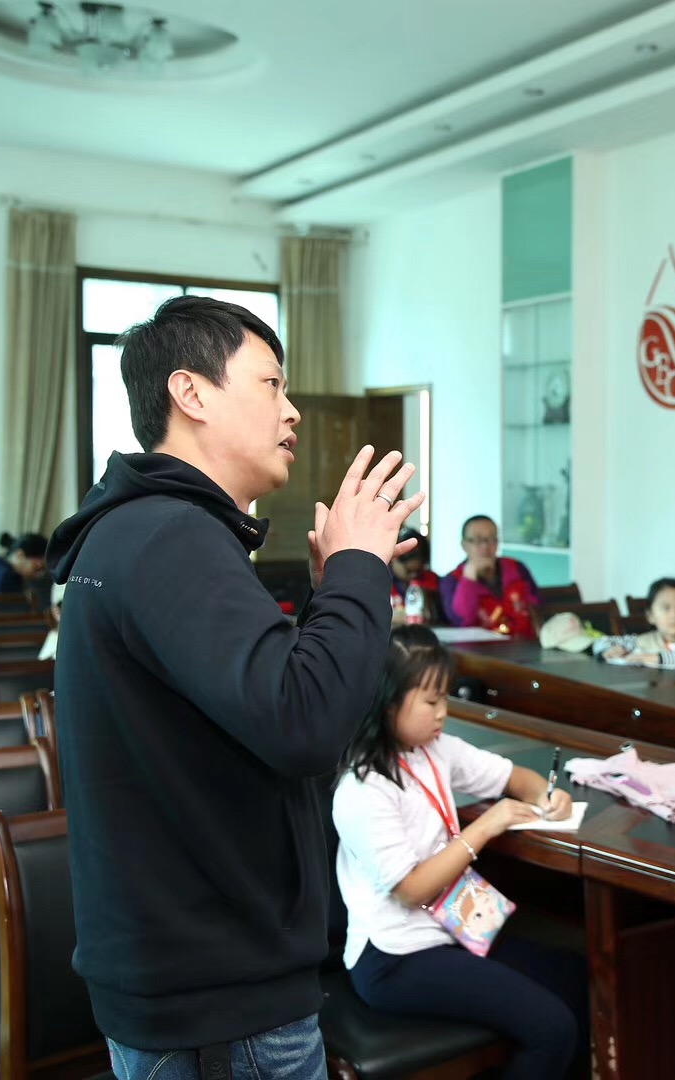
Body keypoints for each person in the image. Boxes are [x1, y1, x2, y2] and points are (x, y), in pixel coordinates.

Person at [45, 295, 426, 1077]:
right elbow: (306, 725)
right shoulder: (173, 535)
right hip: (216, 991)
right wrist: (359, 567)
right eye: (271, 384)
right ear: (190, 393)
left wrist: (331, 598)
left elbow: (263, 709)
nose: (292, 411)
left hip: (192, 973)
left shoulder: (145, 529)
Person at [333, 627, 589, 1080]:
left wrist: (548, 796)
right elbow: (411, 890)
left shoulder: (434, 750)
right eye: (431, 701)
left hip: (453, 928)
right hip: (395, 956)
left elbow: (514, 777)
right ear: (387, 702)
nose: (443, 713)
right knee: (552, 1028)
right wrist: (484, 828)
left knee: (576, 979)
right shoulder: (362, 788)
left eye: (445, 699)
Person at [440, 516, 540, 639]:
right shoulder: (451, 581)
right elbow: (461, 621)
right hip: (478, 648)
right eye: (477, 540)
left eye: (491, 539)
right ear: (464, 545)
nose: (485, 546)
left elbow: (537, 607)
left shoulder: (517, 568)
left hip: (523, 644)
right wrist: (469, 580)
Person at [593, 577, 675, 667]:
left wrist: (659, 658)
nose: (674, 615)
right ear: (651, 616)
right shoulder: (645, 641)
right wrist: (607, 651)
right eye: (666, 608)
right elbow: (601, 641)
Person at [388, 527, 442, 626]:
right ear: (394, 559)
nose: (414, 576)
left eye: (418, 571)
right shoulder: (380, 581)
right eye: (409, 571)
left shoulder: (432, 580)